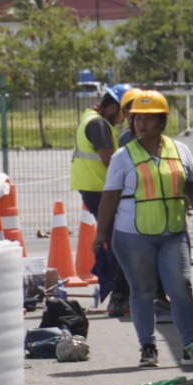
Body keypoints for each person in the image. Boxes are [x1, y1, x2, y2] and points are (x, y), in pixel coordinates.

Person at [94, 90, 193, 369]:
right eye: (136, 119)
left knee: (181, 287)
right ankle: (148, 347)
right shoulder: (123, 156)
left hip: (173, 233)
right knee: (143, 290)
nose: (141, 124)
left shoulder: (181, 150)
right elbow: (110, 196)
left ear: (162, 121)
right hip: (132, 236)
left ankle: (192, 346)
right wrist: (100, 232)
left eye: (148, 118)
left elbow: (192, 185)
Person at [70, 87, 123, 308]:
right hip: (99, 190)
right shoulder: (98, 124)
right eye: (123, 113)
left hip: (96, 188)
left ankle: (118, 292)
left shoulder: (93, 120)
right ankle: (119, 296)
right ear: (112, 108)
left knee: (113, 240)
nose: (123, 120)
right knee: (114, 241)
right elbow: (109, 160)